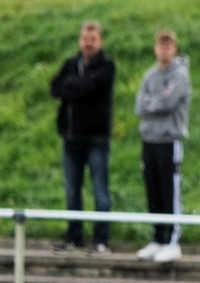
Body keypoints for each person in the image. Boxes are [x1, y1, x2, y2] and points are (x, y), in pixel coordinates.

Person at [50, 20, 116, 254]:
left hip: (96, 138)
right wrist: (77, 87)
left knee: (100, 190)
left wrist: (74, 87)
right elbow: (55, 87)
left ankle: (101, 240)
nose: (88, 43)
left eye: (93, 39)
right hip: (71, 138)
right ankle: (74, 238)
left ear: (100, 41)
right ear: (80, 40)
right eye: (85, 39)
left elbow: (90, 87)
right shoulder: (71, 63)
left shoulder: (107, 65)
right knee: (72, 190)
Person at [134, 29, 192, 264]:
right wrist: (155, 102)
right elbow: (139, 105)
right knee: (153, 191)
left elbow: (169, 103)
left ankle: (172, 241)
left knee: (170, 192)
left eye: (168, 46)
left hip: (169, 141)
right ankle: (158, 238)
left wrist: (153, 103)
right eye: (161, 45)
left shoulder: (180, 75)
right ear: (155, 48)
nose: (164, 49)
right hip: (150, 141)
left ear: (174, 49)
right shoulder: (150, 75)